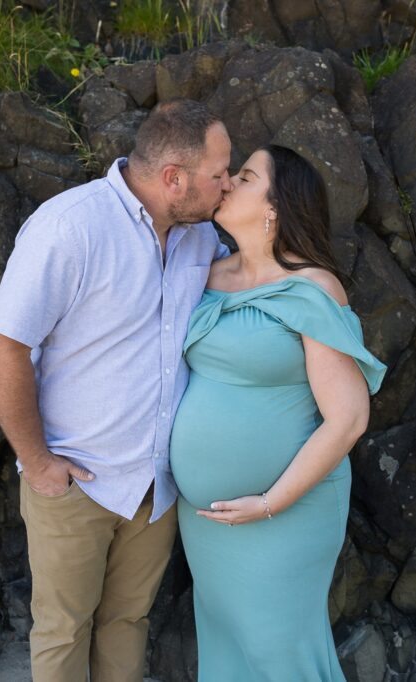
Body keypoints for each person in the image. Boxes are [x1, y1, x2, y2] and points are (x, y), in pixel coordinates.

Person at [0, 99, 232, 682]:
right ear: (174, 178)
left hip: (159, 486)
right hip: (78, 482)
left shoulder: (200, 239)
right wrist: (39, 464)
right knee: (63, 629)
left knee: (128, 622)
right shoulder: (70, 225)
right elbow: (1, 347)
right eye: (218, 174)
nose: (227, 186)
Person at [168, 144, 387, 680]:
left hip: (286, 514)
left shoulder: (312, 289)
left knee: (279, 653)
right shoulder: (205, 276)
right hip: (208, 520)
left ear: (275, 207)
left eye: (243, 177)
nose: (226, 184)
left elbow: (348, 419)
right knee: (228, 646)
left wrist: (269, 502)